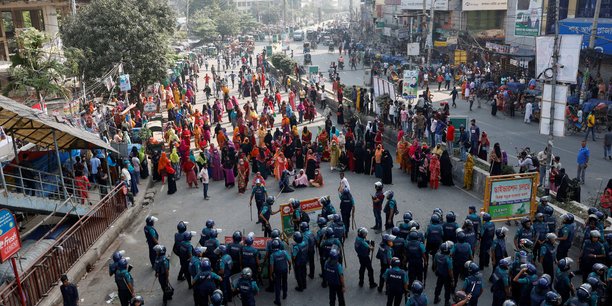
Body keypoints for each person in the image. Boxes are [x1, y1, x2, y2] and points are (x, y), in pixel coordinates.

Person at [270, 239, 291, 305]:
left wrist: (271, 275)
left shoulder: (272, 255)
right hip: (285, 270)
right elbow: (290, 261)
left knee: (277, 286)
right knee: (285, 282)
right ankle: (285, 294)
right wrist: (289, 268)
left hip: (277, 272)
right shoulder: (284, 252)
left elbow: (272, 267)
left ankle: (278, 300)